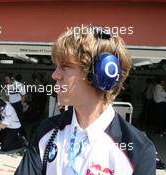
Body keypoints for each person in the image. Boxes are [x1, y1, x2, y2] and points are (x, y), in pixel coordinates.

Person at [15, 26, 156, 175]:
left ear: (103, 74)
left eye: (66, 66)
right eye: (56, 66)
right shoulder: (45, 131)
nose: (55, 75)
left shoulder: (138, 150)